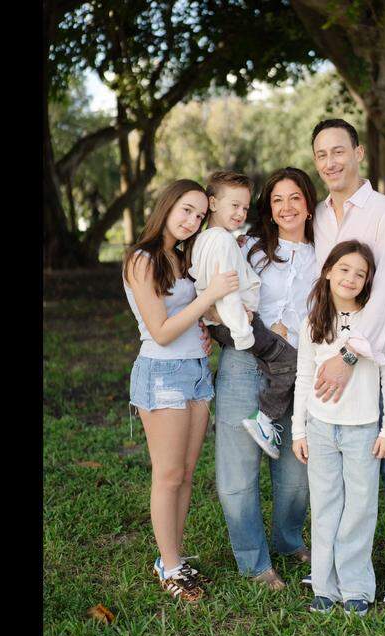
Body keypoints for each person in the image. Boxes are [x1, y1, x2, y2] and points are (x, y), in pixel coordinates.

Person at [308, 118, 385, 605]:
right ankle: (335, 566)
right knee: (338, 475)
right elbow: (318, 284)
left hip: (375, 358)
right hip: (329, 354)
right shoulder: (318, 215)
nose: (330, 162)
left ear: (358, 153)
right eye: (321, 155)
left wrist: (349, 355)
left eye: (338, 151)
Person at [123, 179, 240, 602]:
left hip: (196, 370)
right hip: (162, 372)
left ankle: (172, 556)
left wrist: (203, 327)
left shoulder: (182, 257)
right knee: (168, 474)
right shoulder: (141, 259)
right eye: (185, 210)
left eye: (199, 215)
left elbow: (189, 316)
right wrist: (208, 298)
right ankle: (170, 567)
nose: (192, 220)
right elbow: (160, 330)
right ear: (167, 207)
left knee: (186, 474)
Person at [211, 167, 318, 590]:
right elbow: (209, 286)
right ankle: (254, 563)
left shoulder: (325, 252)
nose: (286, 207)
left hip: (298, 370)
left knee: (296, 475)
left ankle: (289, 541)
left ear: (309, 204)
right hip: (244, 363)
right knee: (238, 474)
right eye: (277, 200)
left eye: (295, 198)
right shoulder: (246, 247)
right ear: (268, 209)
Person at [292, 240, 385, 616]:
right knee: (325, 507)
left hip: (363, 430)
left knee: (359, 508)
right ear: (327, 272)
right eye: (344, 269)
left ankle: (355, 587)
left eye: (360, 273)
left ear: (368, 281)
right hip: (320, 428)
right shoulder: (313, 322)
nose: (351, 278)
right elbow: (304, 378)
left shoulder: (377, 321)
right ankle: (324, 586)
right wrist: (298, 430)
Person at [190, 170, 299, 459]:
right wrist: (243, 332)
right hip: (237, 323)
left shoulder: (209, 239)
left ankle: (228, 413)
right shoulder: (223, 242)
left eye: (245, 208)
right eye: (234, 205)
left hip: (223, 322)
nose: (240, 213)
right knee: (290, 360)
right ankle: (264, 419)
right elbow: (226, 291)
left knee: (274, 359)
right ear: (213, 203)